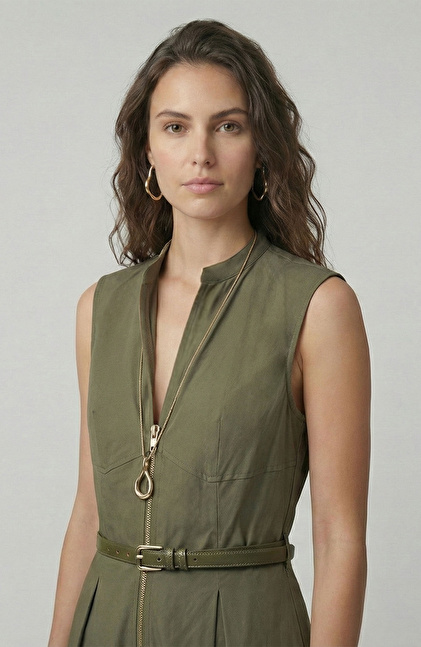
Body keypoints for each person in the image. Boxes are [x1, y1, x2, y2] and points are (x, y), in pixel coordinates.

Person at [48, 19, 370, 647]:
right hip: (106, 624)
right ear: (147, 150)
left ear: (262, 146)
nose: (201, 153)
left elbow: (340, 539)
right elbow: (89, 513)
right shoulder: (99, 309)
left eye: (228, 126)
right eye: (175, 127)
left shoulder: (317, 307)